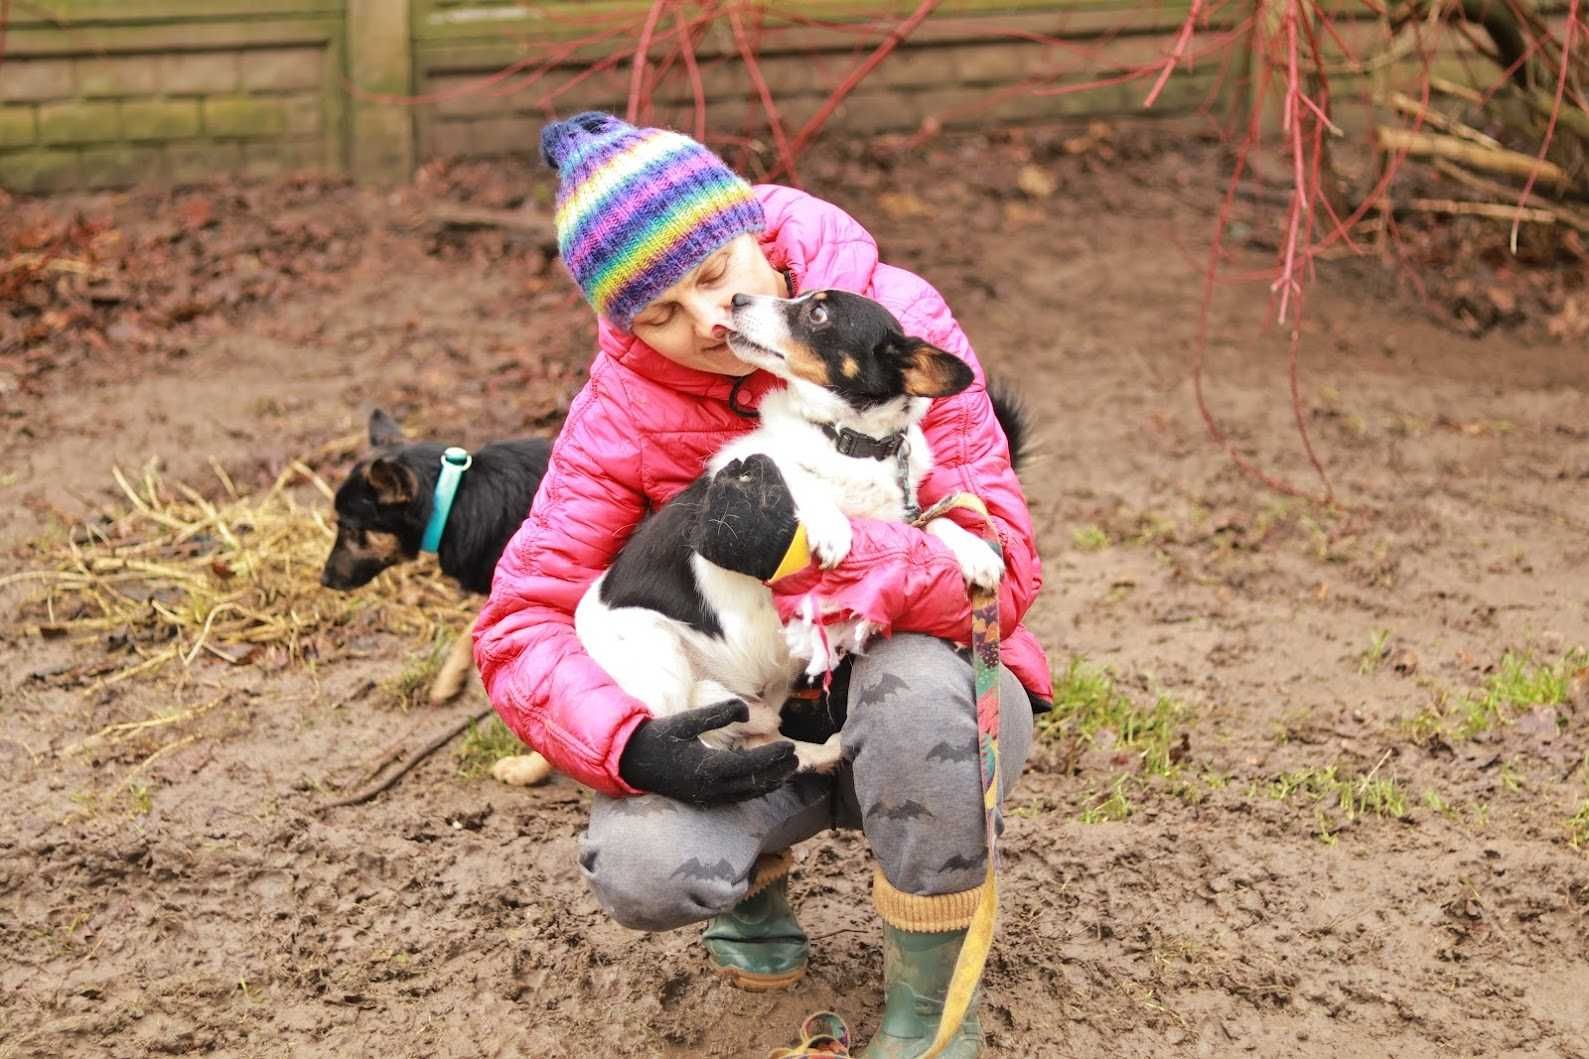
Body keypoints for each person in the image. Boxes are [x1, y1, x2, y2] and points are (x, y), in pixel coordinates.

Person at [473, 111, 1051, 1058]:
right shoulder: (617, 413)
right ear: (619, 325)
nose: (705, 322)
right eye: (655, 313)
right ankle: (753, 893)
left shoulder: (892, 320)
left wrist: (830, 559)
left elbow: (1005, 570)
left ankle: (930, 999)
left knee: (911, 700)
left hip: (920, 708)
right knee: (645, 859)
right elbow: (519, 619)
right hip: (740, 697)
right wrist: (632, 745)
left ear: (749, 227)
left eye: (710, 276)